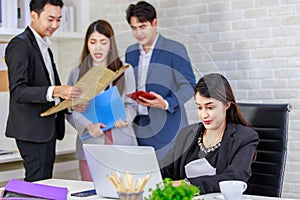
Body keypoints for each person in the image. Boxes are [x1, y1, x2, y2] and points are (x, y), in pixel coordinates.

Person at [5, 0, 82, 182]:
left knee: (44, 183)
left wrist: (69, 102)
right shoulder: (20, 45)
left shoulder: (44, 45)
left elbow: (47, 86)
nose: (55, 25)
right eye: (50, 19)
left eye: (59, 19)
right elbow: (18, 91)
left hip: (47, 130)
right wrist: (56, 90)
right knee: (38, 185)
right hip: (32, 132)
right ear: (33, 15)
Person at [160, 73, 259, 194]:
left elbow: (234, 178)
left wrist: (187, 184)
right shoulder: (187, 134)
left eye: (210, 107)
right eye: (199, 108)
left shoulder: (245, 138)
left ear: (226, 105)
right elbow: (165, 170)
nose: (204, 115)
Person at [66, 19, 138, 181]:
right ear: (87, 44)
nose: (98, 47)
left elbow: (132, 104)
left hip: (122, 142)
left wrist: (126, 117)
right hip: (91, 143)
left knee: (125, 192)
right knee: (91, 192)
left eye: (103, 42)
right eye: (93, 42)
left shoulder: (125, 70)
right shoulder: (76, 73)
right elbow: (69, 110)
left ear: (110, 45)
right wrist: (87, 126)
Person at [125, 1, 196, 160]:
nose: (138, 33)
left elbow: (189, 85)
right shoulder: (130, 52)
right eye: (134, 28)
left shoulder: (174, 49)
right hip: (138, 128)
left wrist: (165, 103)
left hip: (168, 128)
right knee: (143, 180)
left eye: (142, 27)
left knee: (167, 180)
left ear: (154, 23)